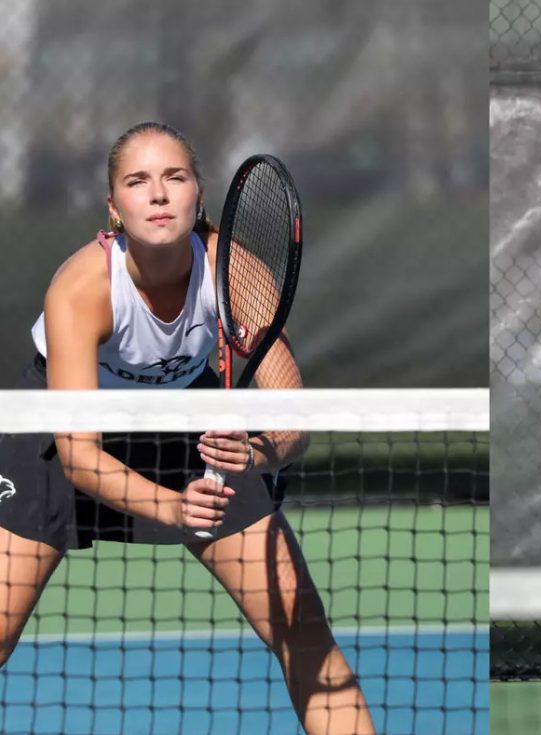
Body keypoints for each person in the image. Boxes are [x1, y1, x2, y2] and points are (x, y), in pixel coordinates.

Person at [0, 122, 375, 735]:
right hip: (61, 435)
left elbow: (292, 419)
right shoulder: (81, 289)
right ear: (113, 207)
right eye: (138, 181)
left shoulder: (235, 272)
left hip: (185, 424)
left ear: (198, 197)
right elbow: (80, 457)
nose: (158, 194)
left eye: (174, 178)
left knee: (302, 632)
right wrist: (176, 511)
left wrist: (255, 452)